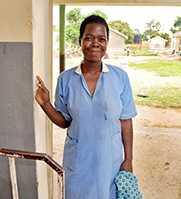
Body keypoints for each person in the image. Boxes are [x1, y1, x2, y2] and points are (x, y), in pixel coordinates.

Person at [35, 15, 137, 199]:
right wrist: (46, 105)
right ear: (80, 40)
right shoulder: (66, 79)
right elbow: (65, 121)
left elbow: (126, 121)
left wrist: (128, 160)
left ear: (107, 43)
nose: (95, 43)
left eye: (101, 39)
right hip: (78, 162)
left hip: (110, 162)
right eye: (89, 38)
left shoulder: (119, 77)